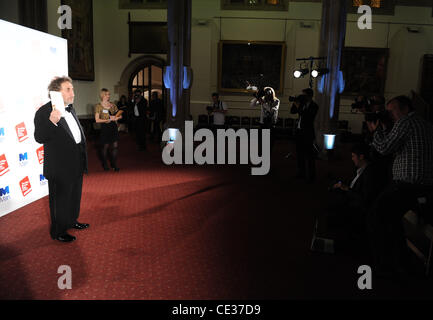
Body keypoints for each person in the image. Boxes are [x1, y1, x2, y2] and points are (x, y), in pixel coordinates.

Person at [367, 95, 433, 276]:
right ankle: (400, 260)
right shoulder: (425, 124)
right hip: (425, 187)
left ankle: (382, 265)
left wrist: (376, 130)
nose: (389, 114)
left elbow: (384, 148)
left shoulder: (405, 123)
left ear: (405, 109)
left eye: (391, 110)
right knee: (392, 219)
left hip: (407, 185)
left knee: (375, 216)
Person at [34, 76, 89, 243]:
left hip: (76, 163)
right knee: (60, 201)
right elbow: (40, 137)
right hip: (59, 167)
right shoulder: (44, 112)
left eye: (72, 89)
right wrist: (52, 122)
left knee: (74, 196)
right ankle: (58, 231)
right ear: (56, 92)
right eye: (68, 89)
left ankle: (72, 221)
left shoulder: (70, 109)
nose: (73, 93)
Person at [325, 143, 387, 250]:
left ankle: (340, 244)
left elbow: (365, 199)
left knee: (332, 206)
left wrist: (347, 189)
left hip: (358, 208)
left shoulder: (369, 174)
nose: (352, 159)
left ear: (361, 157)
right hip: (352, 201)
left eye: (353, 156)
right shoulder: (362, 170)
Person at [290, 88, 319, 183]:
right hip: (299, 132)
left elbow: (307, 117)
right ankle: (301, 173)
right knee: (299, 154)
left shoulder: (314, 106)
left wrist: (298, 105)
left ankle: (311, 175)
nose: (302, 97)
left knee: (309, 155)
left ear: (309, 96)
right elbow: (292, 111)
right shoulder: (301, 104)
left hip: (308, 133)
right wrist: (295, 102)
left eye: (304, 95)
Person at [94, 88, 122, 172]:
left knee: (115, 146)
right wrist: (107, 119)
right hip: (105, 128)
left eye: (109, 94)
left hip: (113, 127)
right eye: (107, 94)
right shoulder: (98, 106)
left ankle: (114, 163)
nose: (108, 96)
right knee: (105, 147)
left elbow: (120, 116)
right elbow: (97, 120)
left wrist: (117, 117)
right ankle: (105, 163)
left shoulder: (113, 105)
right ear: (102, 95)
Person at [250, 87, 280, 151]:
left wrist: (263, 102)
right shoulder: (263, 99)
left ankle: (267, 157)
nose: (267, 95)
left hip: (270, 125)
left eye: (268, 93)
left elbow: (271, 110)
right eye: (265, 93)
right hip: (262, 124)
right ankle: (261, 157)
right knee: (261, 143)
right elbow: (252, 105)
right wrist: (257, 97)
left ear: (272, 93)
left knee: (269, 144)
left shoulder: (276, 101)